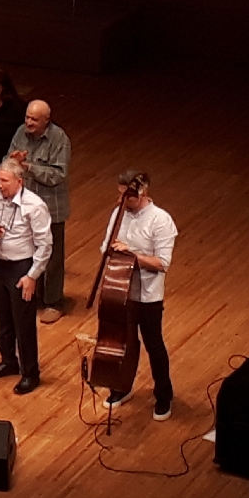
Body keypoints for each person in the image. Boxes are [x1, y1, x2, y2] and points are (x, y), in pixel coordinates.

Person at [99, 170, 178, 420]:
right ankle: (122, 387)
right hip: (120, 289)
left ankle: (164, 395)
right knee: (124, 342)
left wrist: (131, 253)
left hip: (148, 295)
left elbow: (162, 263)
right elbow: (105, 247)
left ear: (142, 192)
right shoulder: (118, 213)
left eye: (127, 196)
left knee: (154, 345)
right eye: (120, 194)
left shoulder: (161, 220)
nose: (121, 200)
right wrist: (112, 251)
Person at [0, 158, 52, 395]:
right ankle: (8, 361)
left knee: (23, 323)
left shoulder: (34, 206)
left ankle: (30, 373)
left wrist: (32, 276)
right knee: (2, 319)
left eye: (4, 181)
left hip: (22, 267)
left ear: (19, 181)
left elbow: (45, 245)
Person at [6, 99, 71, 322]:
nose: (29, 122)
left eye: (34, 119)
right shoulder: (20, 133)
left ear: (47, 120)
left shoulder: (59, 139)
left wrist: (28, 167)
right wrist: (13, 162)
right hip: (25, 206)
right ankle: (34, 297)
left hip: (51, 208)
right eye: (27, 117)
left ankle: (54, 302)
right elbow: (7, 160)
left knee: (52, 257)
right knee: (29, 252)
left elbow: (58, 175)